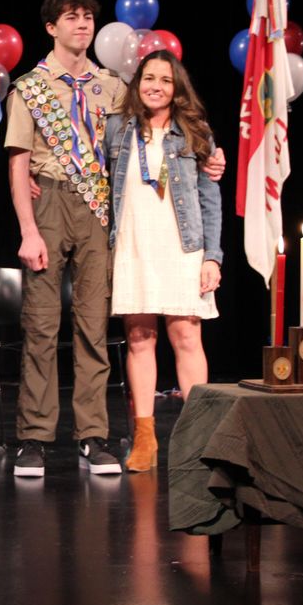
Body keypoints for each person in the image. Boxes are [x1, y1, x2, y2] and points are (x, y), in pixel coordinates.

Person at [4, 0, 128, 478]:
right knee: (40, 325)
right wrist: (28, 230)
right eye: (72, 17)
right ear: (51, 27)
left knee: (94, 323)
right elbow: (17, 164)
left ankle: (92, 435)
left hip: (97, 205)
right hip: (48, 200)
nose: (83, 24)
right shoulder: (30, 88)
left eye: (89, 17)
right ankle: (33, 438)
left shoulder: (111, 87)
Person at [106, 50, 222, 473]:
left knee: (188, 338)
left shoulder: (193, 131)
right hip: (134, 245)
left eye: (166, 80)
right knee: (139, 338)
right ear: (137, 83)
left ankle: (198, 438)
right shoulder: (117, 129)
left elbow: (210, 198)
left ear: (177, 89)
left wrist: (213, 257)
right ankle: (145, 437)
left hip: (182, 247)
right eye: (149, 78)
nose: (156, 86)